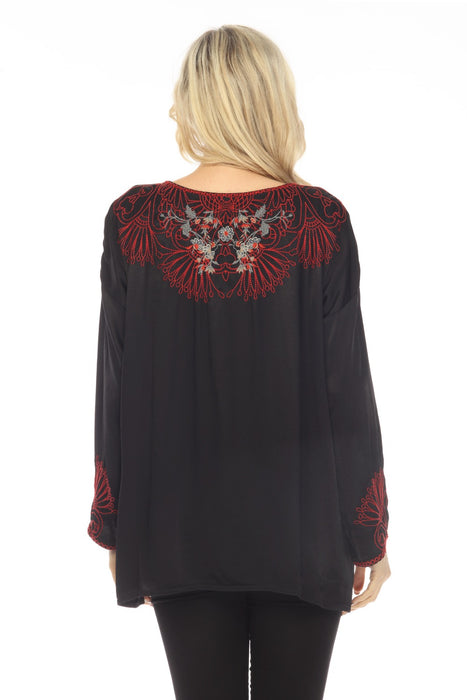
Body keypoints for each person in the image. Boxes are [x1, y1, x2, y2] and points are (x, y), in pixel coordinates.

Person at [89, 24, 391, 700]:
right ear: (273, 99)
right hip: (303, 528)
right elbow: (346, 386)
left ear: (197, 99)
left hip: (176, 526)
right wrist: (367, 532)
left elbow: (117, 380)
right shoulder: (319, 220)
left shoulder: (135, 220)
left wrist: (117, 523)